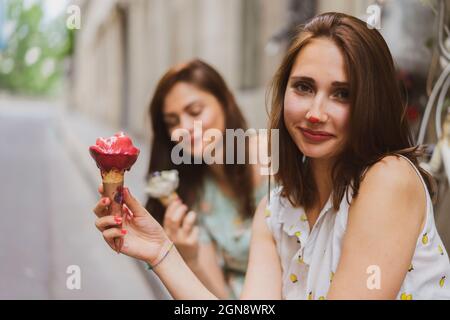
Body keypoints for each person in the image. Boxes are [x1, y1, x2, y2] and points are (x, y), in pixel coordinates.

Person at [92, 12, 450, 299]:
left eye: (342, 94)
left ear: (371, 103)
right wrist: (160, 251)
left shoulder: (388, 179)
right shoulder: (276, 209)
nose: (315, 111)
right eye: (304, 87)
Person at [138, 59, 266, 299]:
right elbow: (220, 299)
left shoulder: (276, 162)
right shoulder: (191, 195)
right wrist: (190, 259)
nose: (185, 127)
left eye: (195, 111)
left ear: (226, 102)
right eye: (172, 122)